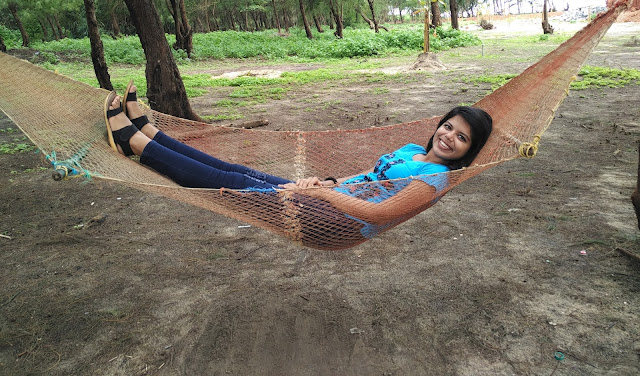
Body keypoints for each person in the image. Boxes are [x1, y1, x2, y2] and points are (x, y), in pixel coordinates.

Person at [105, 82, 492, 247]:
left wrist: (322, 195)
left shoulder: (436, 177)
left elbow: (379, 213)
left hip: (338, 224)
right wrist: (328, 182)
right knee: (237, 172)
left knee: (228, 182)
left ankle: (133, 142)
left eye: (462, 138)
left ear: (468, 151)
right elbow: (368, 177)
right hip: (328, 200)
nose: (449, 137)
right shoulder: (411, 151)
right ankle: (150, 134)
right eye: (449, 126)